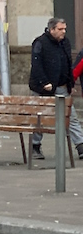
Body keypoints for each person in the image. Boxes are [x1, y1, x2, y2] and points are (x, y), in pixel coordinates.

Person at [28, 17, 83, 161]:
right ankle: (35, 146)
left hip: (62, 86)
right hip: (43, 88)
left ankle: (80, 145)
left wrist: (70, 83)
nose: (63, 31)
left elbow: (67, 64)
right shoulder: (40, 43)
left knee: (71, 117)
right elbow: (36, 65)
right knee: (39, 117)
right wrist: (44, 82)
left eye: (64, 29)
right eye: (60, 29)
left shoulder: (65, 42)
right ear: (51, 29)